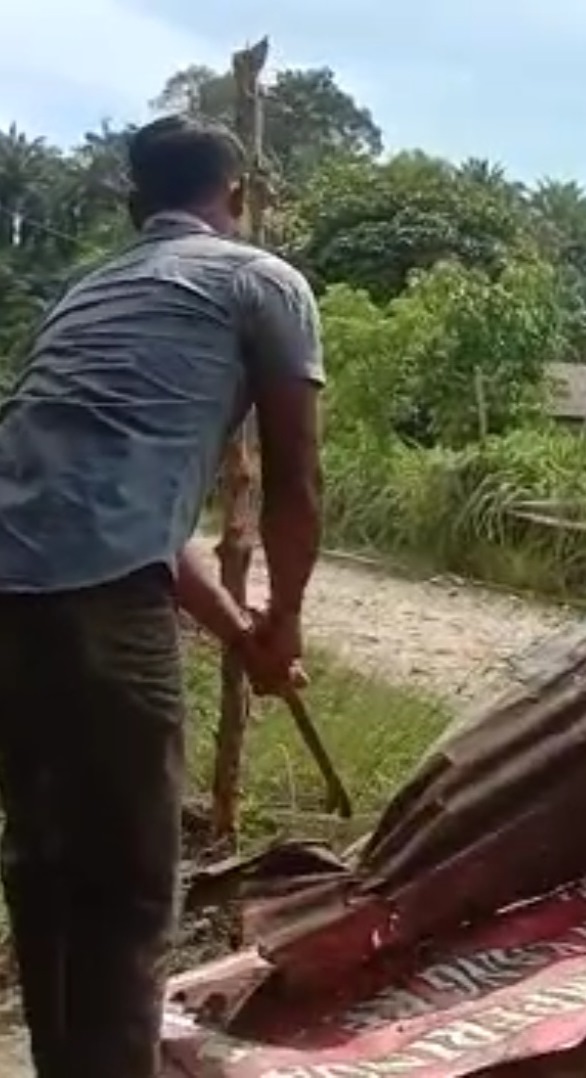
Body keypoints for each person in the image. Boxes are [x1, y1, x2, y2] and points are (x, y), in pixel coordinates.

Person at [0, 114, 324, 1077]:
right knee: (130, 886)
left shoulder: (84, 292)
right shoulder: (261, 280)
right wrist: (287, 620)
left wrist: (246, 638)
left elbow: (139, 525)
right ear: (237, 197)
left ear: (136, 203)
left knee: (47, 859)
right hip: (96, 602)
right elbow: (297, 483)